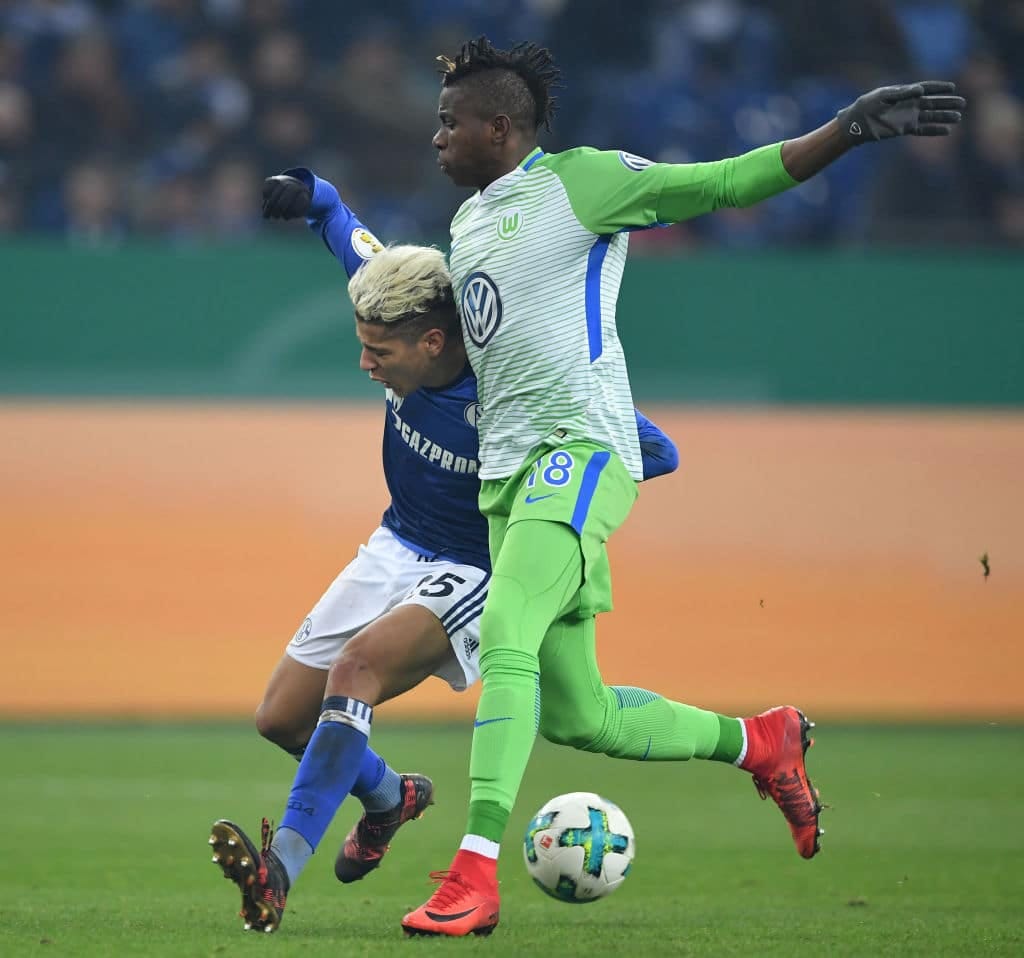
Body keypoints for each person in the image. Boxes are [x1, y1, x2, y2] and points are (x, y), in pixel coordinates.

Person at [400, 37, 965, 937]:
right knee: (579, 716)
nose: (435, 137)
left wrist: (847, 130)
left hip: (576, 456)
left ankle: (473, 874)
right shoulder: (469, 223)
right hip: (509, 478)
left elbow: (725, 183)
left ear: (499, 127)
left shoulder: (583, 182)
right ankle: (761, 741)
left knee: (506, 633)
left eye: (448, 122)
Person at [207, 168, 680, 933]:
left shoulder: (513, 381)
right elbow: (344, 230)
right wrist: (313, 190)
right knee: (282, 718)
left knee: (355, 670)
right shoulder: (401, 294)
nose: (366, 365)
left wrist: (552, 492)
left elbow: (654, 451)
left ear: (433, 343)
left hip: (478, 564)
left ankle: (279, 870)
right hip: (396, 540)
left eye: (379, 353)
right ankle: (391, 797)